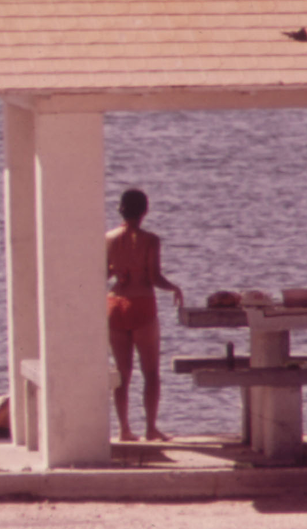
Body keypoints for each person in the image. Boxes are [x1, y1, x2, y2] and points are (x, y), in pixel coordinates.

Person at [105, 187, 182, 443]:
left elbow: (104, 274)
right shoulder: (150, 240)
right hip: (142, 304)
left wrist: (119, 273)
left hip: (115, 303)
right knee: (150, 372)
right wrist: (175, 288)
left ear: (120, 210)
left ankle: (124, 429)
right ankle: (150, 428)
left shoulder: (109, 238)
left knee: (122, 372)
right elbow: (154, 277)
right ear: (145, 211)